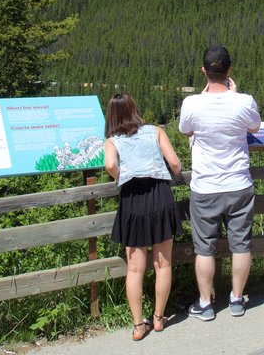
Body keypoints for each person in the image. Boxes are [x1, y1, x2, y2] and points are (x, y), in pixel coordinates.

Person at [179, 45, 262, 320]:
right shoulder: (244, 101)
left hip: (205, 186)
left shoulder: (191, 103)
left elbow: (185, 130)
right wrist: (235, 95)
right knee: (241, 244)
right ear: (229, 71)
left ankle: (205, 304)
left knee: (204, 248)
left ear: (204, 71)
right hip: (239, 182)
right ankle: (237, 299)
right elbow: (254, 127)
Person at [102, 93, 183, 341]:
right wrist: (170, 174)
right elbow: (175, 163)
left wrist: (121, 176)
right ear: (134, 109)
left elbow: (110, 165)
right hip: (160, 195)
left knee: (135, 269)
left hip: (132, 200)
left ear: (112, 115)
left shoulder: (112, 141)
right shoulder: (155, 131)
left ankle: (138, 325)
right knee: (163, 264)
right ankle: (159, 318)